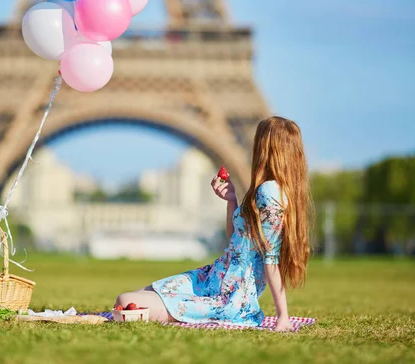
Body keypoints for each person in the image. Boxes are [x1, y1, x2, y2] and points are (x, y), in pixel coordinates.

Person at [114, 116, 313, 332]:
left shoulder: (269, 193)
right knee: (141, 294)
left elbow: (270, 258)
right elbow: (236, 241)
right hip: (213, 278)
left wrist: (283, 316)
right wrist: (232, 201)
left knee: (127, 301)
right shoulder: (269, 190)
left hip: (228, 295)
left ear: (266, 147)